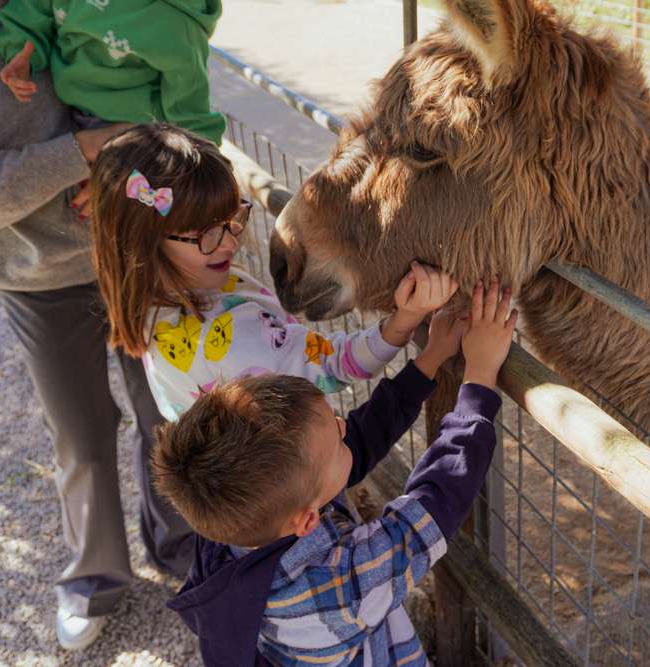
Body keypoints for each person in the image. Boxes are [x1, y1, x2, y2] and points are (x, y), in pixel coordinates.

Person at [0, 1, 193, 650]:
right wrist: (90, 150)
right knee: (80, 428)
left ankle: (187, 550)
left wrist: (138, 156)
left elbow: (167, 62)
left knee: (170, 408)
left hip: (134, 238)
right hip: (29, 270)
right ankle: (95, 577)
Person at [153, 280, 517, 665]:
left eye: (335, 420)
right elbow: (436, 502)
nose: (345, 426)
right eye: (337, 438)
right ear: (308, 520)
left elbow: (358, 440)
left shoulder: (239, 517)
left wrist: (429, 360)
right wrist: (479, 374)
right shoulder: (339, 586)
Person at [88, 123, 457, 421]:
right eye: (205, 235)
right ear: (145, 243)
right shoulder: (235, 341)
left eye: (232, 218)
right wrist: (404, 320)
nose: (231, 243)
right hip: (299, 493)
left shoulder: (150, 304)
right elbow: (334, 365)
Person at [0, 0, 225, 145]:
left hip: (140, 134)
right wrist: (19, 56)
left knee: (134, 213)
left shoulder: (176, 23)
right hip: (65, 119)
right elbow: (28, 14)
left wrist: (207, 166)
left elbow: (191, 108)